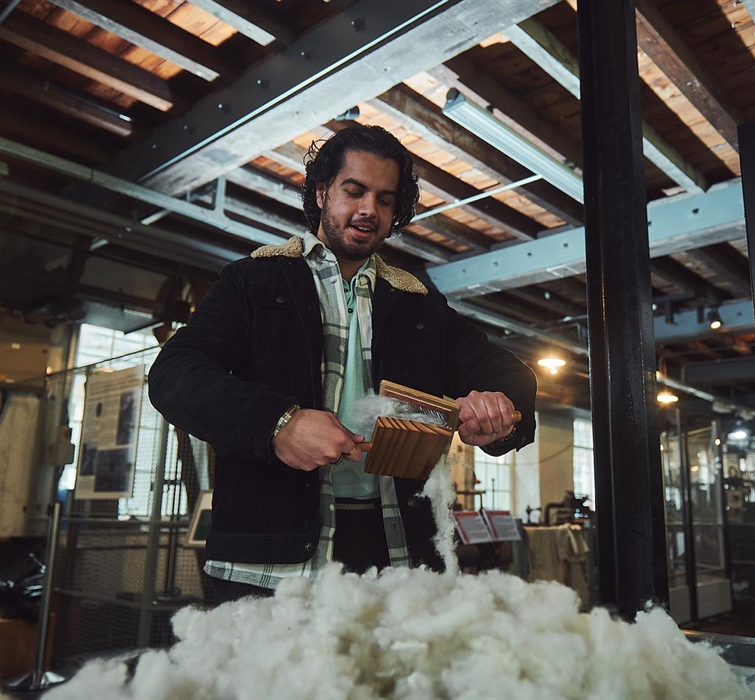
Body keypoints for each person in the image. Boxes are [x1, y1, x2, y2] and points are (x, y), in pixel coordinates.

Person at [148, 124, 536, 604]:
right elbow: (172, 373)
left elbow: (509, 373)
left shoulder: (419, 305)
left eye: (386, 199)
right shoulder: (251, 282)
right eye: (354, 191)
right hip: (272, 559)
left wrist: (499, 406)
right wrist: (277, 424)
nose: (369, 209)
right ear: (321, 191)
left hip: (399, 557)